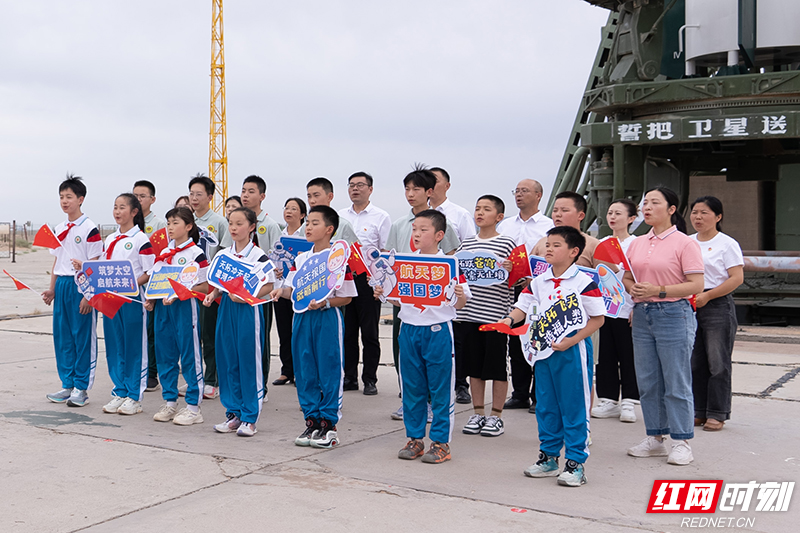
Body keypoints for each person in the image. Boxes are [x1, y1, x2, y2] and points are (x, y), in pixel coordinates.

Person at [498, 226, 605, 487]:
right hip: (543, 352)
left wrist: (572, 340)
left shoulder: (584, 282)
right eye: (548, 244)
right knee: (546, 405)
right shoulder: (539, 281)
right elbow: (522, 307)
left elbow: (598, 318)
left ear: (574, 251)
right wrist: (508, 320)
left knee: (574, 406)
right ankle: (548, 457)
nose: (549, 249)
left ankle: (576, 463)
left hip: (572, 351)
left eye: (556, 245)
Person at [376, 209, 470, 464]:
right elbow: (398, 299)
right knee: (412, 387)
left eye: (423, 230)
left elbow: (461, 304)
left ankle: (440, 442)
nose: (416, 234)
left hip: (437, 330)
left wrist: (459, 294)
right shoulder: (403, 263)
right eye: (414, 229)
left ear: (439, 235)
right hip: (408, 329)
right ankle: (415, 438)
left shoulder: (450, 264)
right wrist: (383, 293)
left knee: (440, 388)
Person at [623, 187, 704, 466]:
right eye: (645, 203)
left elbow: (697, 284)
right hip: (642, 314)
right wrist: (634, 289)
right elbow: (627, 277)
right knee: (648, 381)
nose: (646, 207)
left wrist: (658, 290)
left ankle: (681, 441)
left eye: (654, 203)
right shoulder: (637, 243)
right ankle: (655, 437)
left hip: (673, 313)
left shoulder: (684, 243)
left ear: (671, 209)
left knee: (676, 380)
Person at [270, 206, 357, 449]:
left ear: (329, 229)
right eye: (307, 223)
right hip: (302, 317)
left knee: (329, 368)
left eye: (314, 223)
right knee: (304, 369)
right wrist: (280, 292)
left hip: (327, 317)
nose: (308, 227)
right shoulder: (301, 259)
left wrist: (325, 303)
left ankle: (329, 425)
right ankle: (312, 421)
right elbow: (292, 290)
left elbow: (347, 297)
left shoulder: (338, 259)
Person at [384, 166, 460, 420]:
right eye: (407, 189)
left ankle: (431, 403)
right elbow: (390, 259)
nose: (410, 194)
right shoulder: (399, 224)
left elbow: (451, 260)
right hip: (406, 298)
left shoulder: (441, 224)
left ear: (429, 192)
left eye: (416, 189)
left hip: (433, 304)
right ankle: (408, 399)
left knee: (434, 360)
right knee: (403, 352)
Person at [203, 207, 275, 437]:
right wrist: (213, 294)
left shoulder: (259, 257)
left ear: (252, 227)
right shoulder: (223, 255)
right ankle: (233, 413)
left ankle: (250, 417)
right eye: (231, 223)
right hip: (227, 308)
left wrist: (246, 296)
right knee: (228, 360)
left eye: (239, 223)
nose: (233, 228)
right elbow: (218, 283)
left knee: (248, 362)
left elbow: (269, 285)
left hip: (248, 311)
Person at [455, 195, 517, 437]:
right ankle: (478, 413)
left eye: (487, 209)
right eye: (478, 208)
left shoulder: (507, 243)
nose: (480, 213)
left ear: (499, 216)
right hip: (469, 314)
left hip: (496, 317)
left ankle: (496, 416)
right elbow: (456, 272)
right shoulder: (467, 243)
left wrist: (513, 270)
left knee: (497, 368)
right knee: (474, 368)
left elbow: (519, 279)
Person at [144, 207, 209, 426]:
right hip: (163, 310)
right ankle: (170, 401)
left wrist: (179, 293)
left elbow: (204, 286)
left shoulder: (195, 254)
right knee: (165, 355)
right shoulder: (164, 253)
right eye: (168, 223)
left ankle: (193, 407)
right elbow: (156, 282)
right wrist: (151, 299)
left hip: (184, 308)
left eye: (175, 223)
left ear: (189, 226)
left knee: (189, 355)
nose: (170, 228)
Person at [42, 175, 104, 407]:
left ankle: (81, 387)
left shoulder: (89, 228)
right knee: (63, 336)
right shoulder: (59, 228)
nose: (64, 201)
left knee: (82, 336)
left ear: (81, 199)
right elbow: (56, 261)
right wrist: (52, 289)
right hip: (63, 285)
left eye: (69, 197)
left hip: (81, 286)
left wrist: (89, 295)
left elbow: (95, 262)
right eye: (61, 197)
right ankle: (67, 384)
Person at [497, 179, 553, 413]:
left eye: (525, 191)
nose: (518, 195)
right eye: (516, 191)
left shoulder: (548, 225)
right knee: (516, 342)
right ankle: (519, 393)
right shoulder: (505, 225)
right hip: (511, 289)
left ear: (539, 195)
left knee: (540, 339)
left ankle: (539, 395)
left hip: (540, 291)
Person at [689, 196, 743, 432]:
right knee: (695, 361)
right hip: (690, 302)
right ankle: (699, 410)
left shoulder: (726, 244)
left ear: (718, 217)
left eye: (704, 213)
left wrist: (709, 296)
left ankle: (717, 413)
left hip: (717, 304)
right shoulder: (687, 242)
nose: (698, 217)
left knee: (718, 362)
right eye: (695, 212)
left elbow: (736, 278)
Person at [99, 194, 155, 416]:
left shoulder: (141, 239)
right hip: (111, 299)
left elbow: (149, 271)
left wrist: (130, 284)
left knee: (134, 346)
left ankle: (134, 395)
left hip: (132, 298)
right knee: (115, 345)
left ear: (134, 212)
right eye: (115, 207)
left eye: (122, 207)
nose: (117, 211)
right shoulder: (110, 238)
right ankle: (120, 390)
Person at [338, 171, 391, 395]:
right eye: (351, 185)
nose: (355, 189)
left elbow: (385, 252)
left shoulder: (381, 217)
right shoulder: (340, 216)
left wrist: (381, 281)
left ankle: (370, 379)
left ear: (370, 189)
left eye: (360, 185)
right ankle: (349, 377)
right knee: (348, 332)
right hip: (345, 279)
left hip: (369, 281)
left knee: (369, 333)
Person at [430, 166, 477, 404]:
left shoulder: (459, 214)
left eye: (435, 180)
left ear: (447, 186)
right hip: (423, 286)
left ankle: (460, 385)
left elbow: (469, 249)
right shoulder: (417, 215)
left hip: (451, 284)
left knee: (456, 338)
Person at [592, 199, 640, 423]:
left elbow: (641, 276)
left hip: (628, 307)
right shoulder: (601, 243)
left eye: (618, 213)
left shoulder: (637, 244)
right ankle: (608, 399)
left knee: (629, 355)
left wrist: (638, 305)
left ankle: (629, 400)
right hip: (605, 308)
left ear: (631, 218)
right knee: (605, 355)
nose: (612, 217)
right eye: (610, 213)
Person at [189, 174, 232, 400]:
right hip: (189, 287)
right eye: (191, 194)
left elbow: (225, 255)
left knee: (209, 335)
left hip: (209, 288)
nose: (194, 198)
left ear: (210, 197)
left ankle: (211, 380)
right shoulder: (186, 221)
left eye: (199, 194)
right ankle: (194, 378)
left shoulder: (219, 222)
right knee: (192, 335)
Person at [240, 175, 282, 396]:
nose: (245, 195)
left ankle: (260, 386)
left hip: (261, 294)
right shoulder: (237, 222)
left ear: (262, 196)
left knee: (260, 341)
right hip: (237, 294)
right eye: (243, 191)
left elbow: (278, 260)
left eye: (251, 191)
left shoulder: (270, 225)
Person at [133, 180, 167, 393]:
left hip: (151, 285)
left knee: (152, 331)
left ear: (152, 199)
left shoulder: (160, 225)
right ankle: (137, 369)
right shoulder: (128, 224)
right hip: (131, 287)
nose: (138, 200)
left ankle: (152, 373)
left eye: (142, 196)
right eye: (135, 195)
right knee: (136, 330)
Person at [272, 197, 307, 386]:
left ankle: (301, 371)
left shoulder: (307, 235)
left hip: (300, 289)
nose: (288, 211)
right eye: (286, 208)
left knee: (300, 332)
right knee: (284, 331)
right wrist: (275, 269)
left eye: (294, 209)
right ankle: (287, 371)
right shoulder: (279, 235)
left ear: (302, 215)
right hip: (281, 287)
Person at [302, 177, 358, 244]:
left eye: (316, 195)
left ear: (330, 197)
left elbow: (355, 249)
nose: (312, 201)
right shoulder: (305, 226)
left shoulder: (343, 225)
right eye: (309, 196)